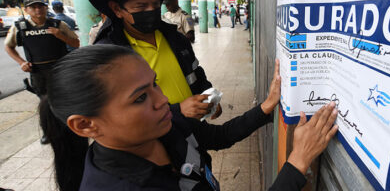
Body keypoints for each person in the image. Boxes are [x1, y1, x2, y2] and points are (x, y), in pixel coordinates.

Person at [39, 44, 338, 191]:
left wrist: (268, 105)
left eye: (154, 84)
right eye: (140, 97)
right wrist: (298, 163)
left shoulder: (164, 126)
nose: (163, 100)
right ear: (86, 125)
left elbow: (219, 137)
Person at [90, 0, 220, 120]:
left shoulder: (176, 38)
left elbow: (195, 72)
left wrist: (208, 95)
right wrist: (178, 111)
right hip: (155, 138)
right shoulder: (108, 55)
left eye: (156, 4)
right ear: (117, 9)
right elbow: (118, 112)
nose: (151, 11)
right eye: (141, 6)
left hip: (193, 127)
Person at [4, 0, 79, 144]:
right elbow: (8, 46)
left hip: (59, 68)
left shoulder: (58, 24)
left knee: (64, 99)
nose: (37, 10)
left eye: (40, 6)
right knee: (45, 103)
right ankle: (49, 132)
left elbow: (75, 43)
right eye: (33, 7)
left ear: (46, 8)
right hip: (38, 71)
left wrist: (60, 35)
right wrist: (21, 62)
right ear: (26, 10)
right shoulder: (20, 27)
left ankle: (70, 128)